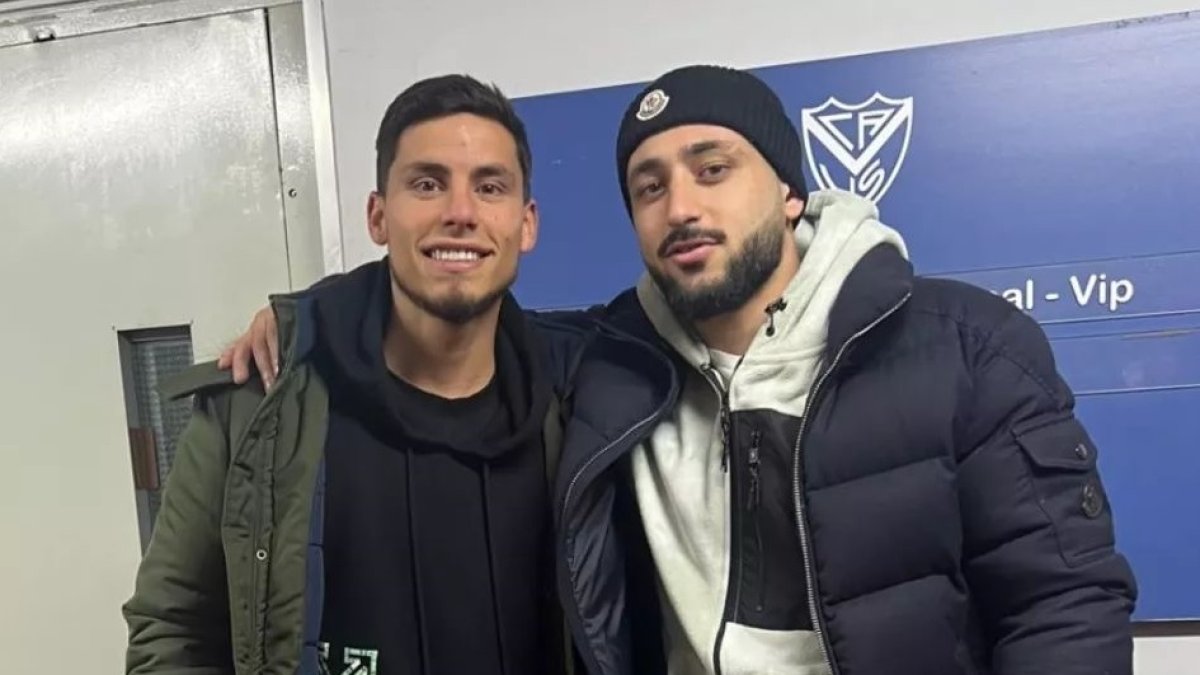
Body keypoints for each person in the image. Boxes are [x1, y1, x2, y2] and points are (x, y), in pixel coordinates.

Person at [223, 66, 1138, 675]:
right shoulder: (617, 361)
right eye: (650, 185)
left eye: (712, 168)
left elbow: (1064, 608)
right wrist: (311, 315)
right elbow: (457, 299)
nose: (681, 205)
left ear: (789, 189)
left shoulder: (965, 346)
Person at [122, 74, 585, 675]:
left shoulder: (581, 407)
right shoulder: (260, 407)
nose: (460, 213)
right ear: (378, 216)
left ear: (526, 225)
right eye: (427, 183)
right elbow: (172, 626)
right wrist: (302, 320)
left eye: (489, 186)